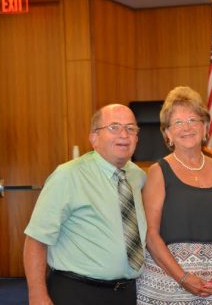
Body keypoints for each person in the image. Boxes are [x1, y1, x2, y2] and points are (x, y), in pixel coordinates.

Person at [24, 104, 147, 305]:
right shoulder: (68, 176)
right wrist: (37, 295)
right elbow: (36, 240)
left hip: (125, 293)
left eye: (131, 128)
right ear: (94, 138)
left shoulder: (137, 176)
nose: (124, 134)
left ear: (137, 138)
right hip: (77, 293)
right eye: (114, 127)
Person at [136, 86, 212, 304]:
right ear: (168, 133)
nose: (187, 127)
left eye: (193, 120)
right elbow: (151, 236)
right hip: (168, 287)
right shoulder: (158, 172)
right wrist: (182, 278)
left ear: (205, 127)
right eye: (178, 122)